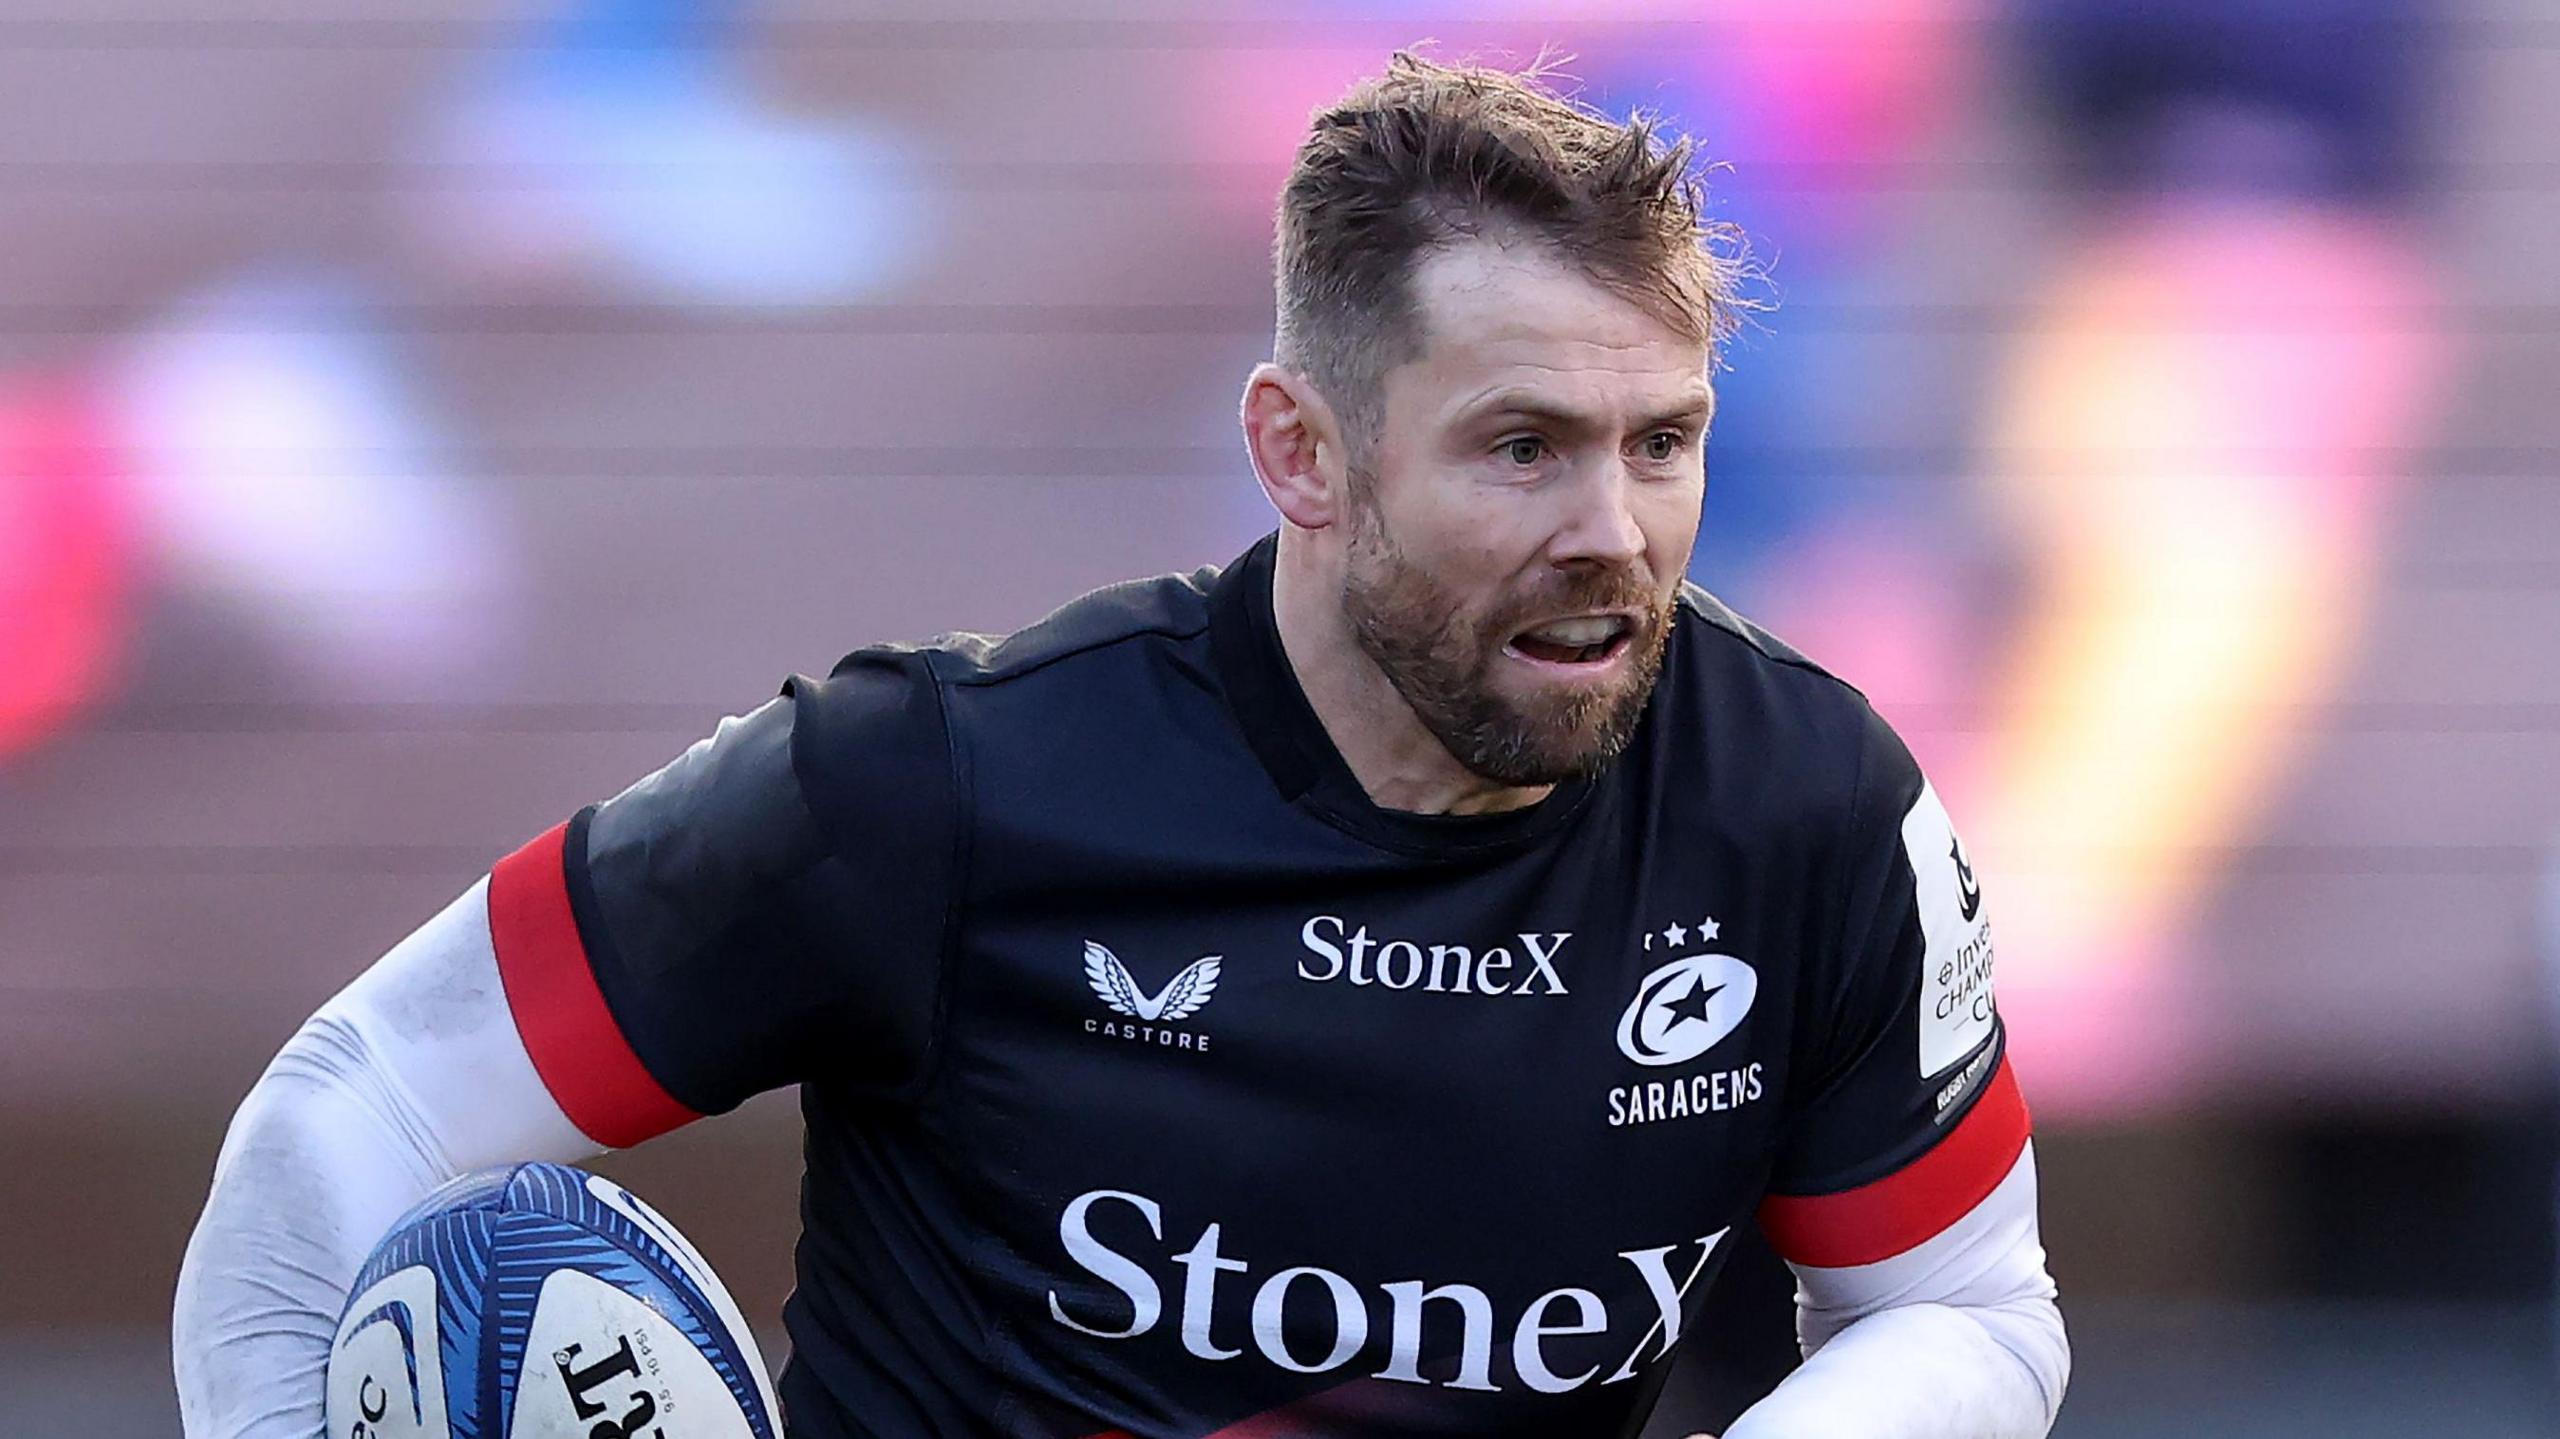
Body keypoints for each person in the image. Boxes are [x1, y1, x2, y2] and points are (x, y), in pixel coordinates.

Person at [174, 54, 2067, 1438]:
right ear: (1299, 452)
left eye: (1662, 442)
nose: (1613, 531)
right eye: (1521, 448)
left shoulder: (1810, 810)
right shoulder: (926, 782)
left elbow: (1967, 1312)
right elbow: (356, 1114)